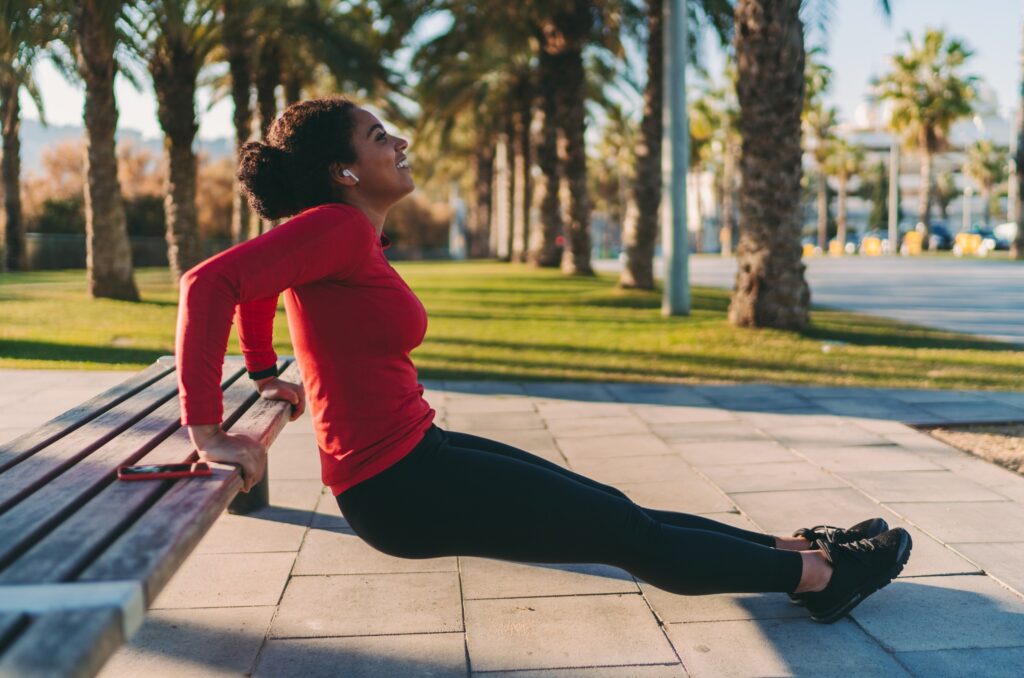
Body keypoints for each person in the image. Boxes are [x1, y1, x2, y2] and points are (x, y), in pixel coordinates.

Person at [175, 97, 911, 625]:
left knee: (619, 512)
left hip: (413, 457)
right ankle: (820, 578)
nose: (398, 141)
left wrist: (263, 370)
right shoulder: (335, 227)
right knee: (629, 537)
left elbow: (254, 286)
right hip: (396, 487)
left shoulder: (336, 231)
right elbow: (210, 283)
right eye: (378, 136)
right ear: (344, 170)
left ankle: (796, 549)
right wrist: (207, 431)